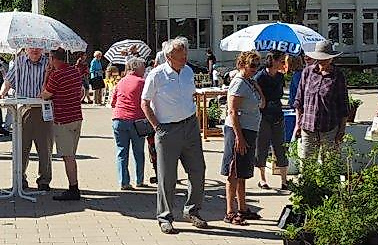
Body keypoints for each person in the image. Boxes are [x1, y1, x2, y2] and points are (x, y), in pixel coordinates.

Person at [141, 37, 209, 234]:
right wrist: (157, 127)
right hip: (168, 130)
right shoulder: (157, 75)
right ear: (169, 57)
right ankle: (165, 216)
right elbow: (144, 102)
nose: (185, 59)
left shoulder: (188, 72)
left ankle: (192, 210)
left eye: (186, 55)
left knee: (198, 171)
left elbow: (189, 94)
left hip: (190, 126)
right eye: (181, 56)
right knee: (167, 177)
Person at [0, 48, 52, 189]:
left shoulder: (49, 63)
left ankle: (44, 180)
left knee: (45, 148)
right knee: (21, 147)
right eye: (31, 47)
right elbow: (8, 80)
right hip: (23, 109)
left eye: (38, 47)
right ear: (26, 49)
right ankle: (20, 178)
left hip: (43, 110)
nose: (35, 50)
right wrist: (1, 93)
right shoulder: (19, 62)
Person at [219, 51, 264, 225]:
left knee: (243, 172)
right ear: (242, 65)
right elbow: (232, 112)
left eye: (256, 66)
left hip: (250, 129)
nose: (255, 69)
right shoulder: (238, 83)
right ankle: (230, 211)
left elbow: (263, 103)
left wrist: (257, 86)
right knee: (233, 172)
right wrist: (239, 137)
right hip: (239, 130)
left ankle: (243, 208)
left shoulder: (249, 82)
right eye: (252, 65)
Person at [39, 49, 85, 201]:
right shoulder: (75, 72)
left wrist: (46, 75)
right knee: (71, 153)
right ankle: (74, 186)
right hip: (76, 117)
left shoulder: (56, 75)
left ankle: (73, 188)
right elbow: (80, 93)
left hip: (63, 119)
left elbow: (44, 95)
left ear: (52, 58)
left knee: (68, 156)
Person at [293, 40, 349, 161]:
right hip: (308, 126)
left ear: (331, 58)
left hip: (329, 126)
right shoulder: (307, 72)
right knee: (306, 164)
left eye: (326, 58)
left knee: (329, 165)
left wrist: (341, 130)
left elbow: (343, 106)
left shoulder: (338, 75)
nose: (322, 61)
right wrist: (298, 123)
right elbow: (299, 100)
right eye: (320, 58)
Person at [111, 57, 147, 190]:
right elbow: (146, 101)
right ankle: (139, 180)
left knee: (121, 151)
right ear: (136, 68)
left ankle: (124, 182)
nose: (144, 69)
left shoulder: (120, 82)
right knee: (138, 152)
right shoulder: (142, 82)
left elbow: (113, 102)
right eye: (143, 67)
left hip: (119, 119)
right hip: (136, 121)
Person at [255, 51, 289, 190]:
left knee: (280, 146)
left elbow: (280, 94)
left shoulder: (280, 77)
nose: (283, 64)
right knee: (262, 146)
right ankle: (262, 178)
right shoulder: (260, 77)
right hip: (263, 115)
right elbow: (256, 96)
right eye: (281, 61)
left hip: (277, 114)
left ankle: (284, 180)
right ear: (273, 61)